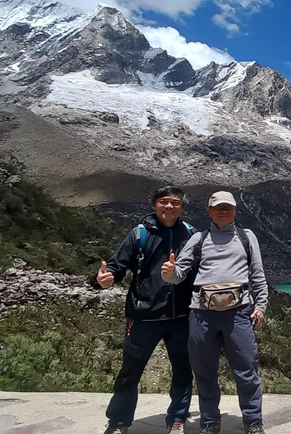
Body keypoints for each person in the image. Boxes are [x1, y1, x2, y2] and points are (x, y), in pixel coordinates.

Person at [161, 191, 268, 434]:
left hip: (239, 313)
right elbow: (179, 274)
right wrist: (168, 272)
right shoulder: (198, 239)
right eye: (218, 207)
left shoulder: (246, 237)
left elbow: (258, 275)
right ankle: (209, 421)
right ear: (209, 211)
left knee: (247, 370)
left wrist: (260, 306)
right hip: (201, 315)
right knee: (204, 371)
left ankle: (253, 421)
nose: (224, 211)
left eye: (228, 207)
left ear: (235, 211)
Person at [93, 186, 196, 434]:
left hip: (181, 317)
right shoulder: (139, 235)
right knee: (130, 371)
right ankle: (118, 421)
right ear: (154, 205)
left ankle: (177, 419)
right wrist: (105, 278)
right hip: (143, 317)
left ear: (182, 207)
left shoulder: (191, 235)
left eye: (175, 202)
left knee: (183, 371)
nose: (169, 207)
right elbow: (118, 266)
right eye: (164, 202)